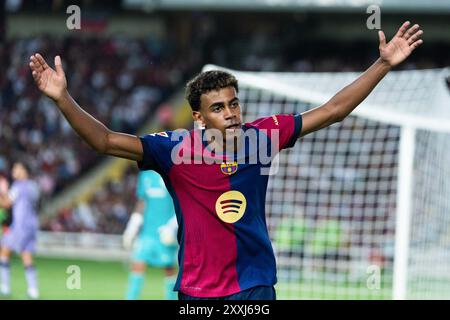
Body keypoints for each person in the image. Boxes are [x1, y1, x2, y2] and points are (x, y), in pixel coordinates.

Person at [29, 21, 423, 300]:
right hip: (196, 291)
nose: (231, 112)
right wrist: (64, 99)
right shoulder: (174, 150)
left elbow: (334, 109)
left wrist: (384, 64)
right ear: (199, 117)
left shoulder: (264, 135)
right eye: (218, 107)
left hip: (253, 284)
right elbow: (104, 140)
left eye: (234, 103)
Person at [123, 170, 178, 300]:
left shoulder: (172, 172)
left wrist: (172, 226)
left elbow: (182, 202)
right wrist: (132, 227)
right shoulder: (145, 174)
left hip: (165, 232)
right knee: (137, 265)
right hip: (147, 232)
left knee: (168, 268)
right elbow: (142, 201)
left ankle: (172, 298)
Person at [0, 162, 40, 299]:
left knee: (5, 252)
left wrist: (3, 191)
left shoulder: (18, 186)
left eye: (16, 168)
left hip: (20, 226)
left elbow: (6, 204)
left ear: (24, 170)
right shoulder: (33, 186)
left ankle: (5, 287)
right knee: (25, 255)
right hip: (31, 225)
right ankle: (33, 290)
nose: (13, 170)